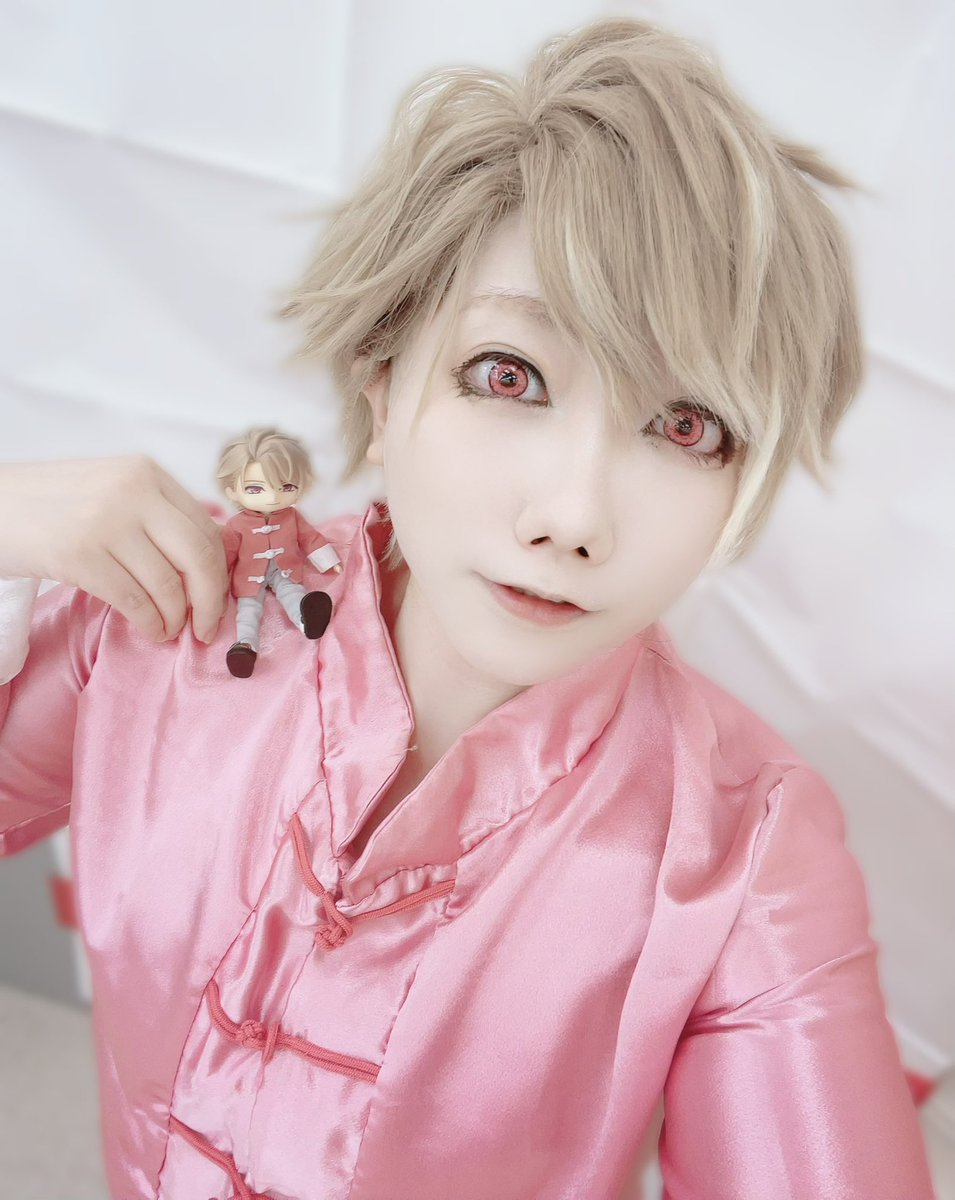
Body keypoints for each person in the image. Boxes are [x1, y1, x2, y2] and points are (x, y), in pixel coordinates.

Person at [0, 18, 936, 1200]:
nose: (573, 516)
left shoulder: (742, 851)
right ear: (384, 384)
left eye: (685, 426)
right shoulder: (170, 617)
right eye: (510, 375)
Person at [217, 427, 341, 679]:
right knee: (249, 609)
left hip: (286, 568)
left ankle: (307, 621)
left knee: (294, 594)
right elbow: (227, 553)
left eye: (286, 486)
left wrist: (329, 561)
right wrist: (218, 578)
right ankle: (245, 646)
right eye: (255, 489)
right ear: (232, 491)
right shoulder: (236, 524)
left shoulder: (293, 516)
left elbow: (309, 538)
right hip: (249, 575)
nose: (273, 497)